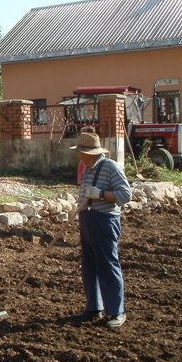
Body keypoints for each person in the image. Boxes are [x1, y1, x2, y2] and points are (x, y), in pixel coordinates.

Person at [70, 132, 132, 328]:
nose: (79, 156)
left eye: (81, 152)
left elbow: (125, 194)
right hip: (87, 219)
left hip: (104, 220)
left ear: (91, 153)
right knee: (90, 266)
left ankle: (116, 311)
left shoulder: (111, 167)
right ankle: (93, 308)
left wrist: (101, 194)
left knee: (107, 265)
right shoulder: (86, 168)